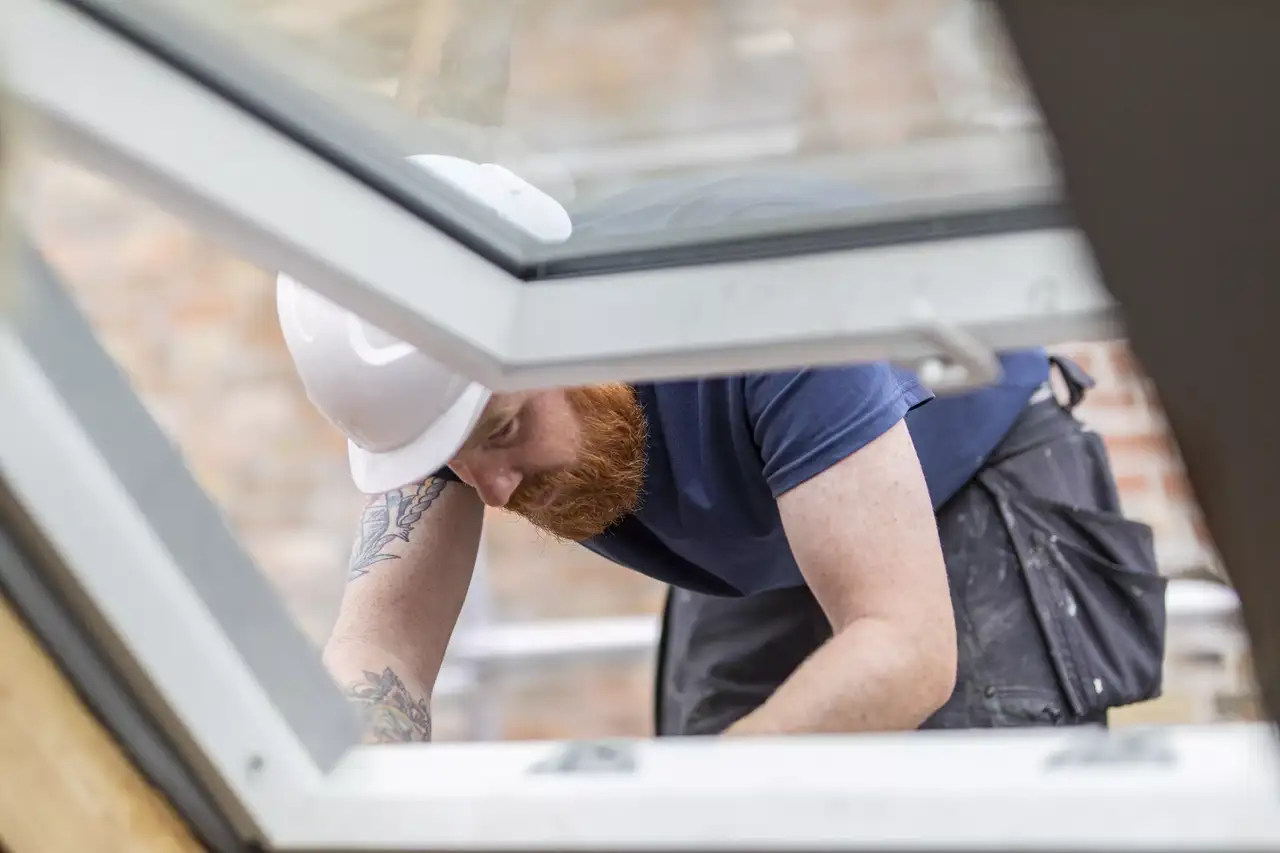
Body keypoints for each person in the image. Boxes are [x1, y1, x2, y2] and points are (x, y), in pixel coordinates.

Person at [278, 156, 1168, 744]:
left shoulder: (761, 312)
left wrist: (698, 809)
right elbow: (381, 651)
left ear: (570, 332)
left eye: (507, 431)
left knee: (957, 801)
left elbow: (906, 644)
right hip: (773, 524)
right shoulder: (448, 379)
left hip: (968, 480)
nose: (494, 489)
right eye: (455, 457)